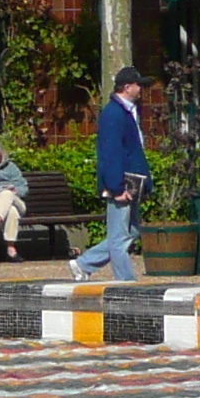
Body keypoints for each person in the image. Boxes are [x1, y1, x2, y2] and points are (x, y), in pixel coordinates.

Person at [70, 67, 150, 283]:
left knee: (132, 231)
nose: (141, 88)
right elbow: (110, 153)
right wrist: (116, 187)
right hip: (122, 184)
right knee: (118, 237)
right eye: (138, 84)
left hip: (132, 183)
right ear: (127, 87)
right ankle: (126, 281)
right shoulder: (113, 114)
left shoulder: (127, 112)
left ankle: (84, 263)